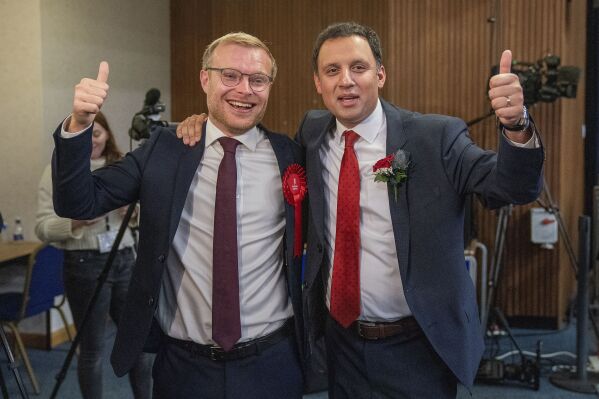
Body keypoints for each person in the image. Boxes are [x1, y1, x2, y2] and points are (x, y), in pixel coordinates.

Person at [177, 22, 544, 398]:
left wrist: (517, 125)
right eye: (332, 71)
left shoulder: (436, 137)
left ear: (380, 74)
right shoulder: (313, 132)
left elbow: (511, 187)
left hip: (417, 347)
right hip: (341, 344)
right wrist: (207, 126)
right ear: (318, 83)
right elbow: (252, 137)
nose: (346, 81)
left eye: (359, 67)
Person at [50, 32, 305, 398]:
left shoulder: (291, 156)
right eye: (230, 75)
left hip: (273, 364)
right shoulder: (166, 150)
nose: (244, 89)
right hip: (185, 369)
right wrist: (79, 124)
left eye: (257, 79)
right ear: (205, 78)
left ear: (269, 86)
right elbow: (79, 203)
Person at [35, 111, 153, 399]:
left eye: (97, 134)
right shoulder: (60, 171)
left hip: (125, 259)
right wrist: (76, 221)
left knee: (137, 342)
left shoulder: (122, 165)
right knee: (92, 348)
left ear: (108, 134)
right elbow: (42, 227)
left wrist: (134, 212)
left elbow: (150, 214)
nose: (92, 143)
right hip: (84, 264)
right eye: (85, 136)